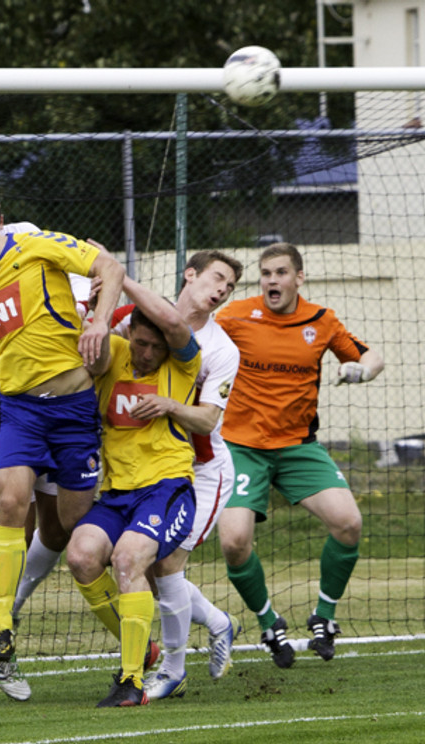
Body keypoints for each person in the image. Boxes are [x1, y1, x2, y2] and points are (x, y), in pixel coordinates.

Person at [0, 189, 125, 681]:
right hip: (19, 410)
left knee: (78, 535)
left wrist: (98, 323)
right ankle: (0, 625)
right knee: (11, 505)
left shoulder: (37, 246)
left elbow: (110, 267)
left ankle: (136, 640)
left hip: (74, 411)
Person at [214, 242, 384, 667]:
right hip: (241, 446)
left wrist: (361, 370)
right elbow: (192, 338)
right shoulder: (234, 316)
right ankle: (268, 622)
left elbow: (372, 357)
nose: (271, 280)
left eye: (281, 272)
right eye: (265, 273)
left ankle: (324, 616)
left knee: (349, 523)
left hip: (297, 447)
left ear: (299, 278)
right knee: (234, 542)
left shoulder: (321, 320)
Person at [110, 249, 245, 701]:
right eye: (217, 277)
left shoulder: (221, 350)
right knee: (148, 568)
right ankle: (220, 622)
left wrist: (169, 405)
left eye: (230, 286)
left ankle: (172, 670)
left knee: (166, 565)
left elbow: (207, 421)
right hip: (147, 470)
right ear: (189, 274)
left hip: (202, 472)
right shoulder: (141, 319)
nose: (222, 289)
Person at [66, 273, 201, 708]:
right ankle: (142, 647)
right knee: (81, 555)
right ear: (130, 334)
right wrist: (99, 306)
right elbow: (90, 342)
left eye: (155, 347)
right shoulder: (116, 354)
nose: (146, 353)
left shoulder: (183, 365)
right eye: (141, 343)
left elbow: (175, 325)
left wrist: (118, 276)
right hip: (117, 494)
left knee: (127, 559)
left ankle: (131, 681)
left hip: (167, 487)